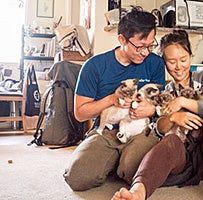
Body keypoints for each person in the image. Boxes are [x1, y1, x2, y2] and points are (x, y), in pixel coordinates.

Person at [112, 30, 203, 200]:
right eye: (172, 62)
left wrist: (182, 102)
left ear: (190, 55)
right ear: (164, 63)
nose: (179, 67)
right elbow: (158, 129)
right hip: (182, 160)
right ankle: (138, 192)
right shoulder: (164, 92)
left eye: (183, 60)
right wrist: (172, 117)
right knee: (169, 141)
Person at [63, 7, 165, 191]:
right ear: (121, 40)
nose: (146, 52)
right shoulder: (95, 66)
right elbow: (80, 113)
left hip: (141, 129)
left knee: (133, 171)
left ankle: (121, 162)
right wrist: (111, 100)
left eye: (151, 45)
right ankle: (113, 158)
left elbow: (161, 102)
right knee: (77, 178)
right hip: (107, 131)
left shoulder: (155, 63)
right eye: (140, 46)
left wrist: (149, 109)